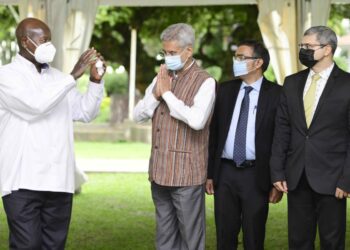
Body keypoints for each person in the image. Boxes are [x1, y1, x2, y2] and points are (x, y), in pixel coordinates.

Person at [0, 17, 105, 249]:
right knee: (27, 245)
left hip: (59, 180)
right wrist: (73, 76)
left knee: (54, 246)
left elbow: (85, 112)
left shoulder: (58, 78)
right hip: (22, 182)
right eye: (44, 40)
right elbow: (34, 106)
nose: (49, 45)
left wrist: (96, 82)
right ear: (25, 41)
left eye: (50, 40)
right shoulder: (6, 76)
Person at [133, 23, 216, 250]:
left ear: (188, 51)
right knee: (165, 238)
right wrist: (156, 95)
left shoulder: (205, 81)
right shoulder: (161, 76)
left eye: (172, 53)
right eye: (165, 52)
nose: (167, 57)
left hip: (186, 175)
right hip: (159, 173)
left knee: (191, 239)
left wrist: (167, 94)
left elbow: (197, 121)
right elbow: (137, 115)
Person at [270, 26, 350, 250]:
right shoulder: (292, 82)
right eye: (301, 46)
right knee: (298, 241)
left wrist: (346, 179)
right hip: (297, 177)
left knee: (332, 242)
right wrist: (277, 171)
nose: (303, 50)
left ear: (327, 50)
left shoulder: (347, 84)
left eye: (308, 46)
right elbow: (282, 128)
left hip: (333, 179)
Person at [206, 40, 282, 250]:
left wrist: (277, 180)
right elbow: (214, 133)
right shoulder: (226, 90)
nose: (236, 62)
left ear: (258, 63)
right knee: (224, 236)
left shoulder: (277, 94)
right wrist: (210, 173)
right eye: (235, 57)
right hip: (225, 173)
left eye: (241, 57)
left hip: (256, 175)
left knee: (254, 237)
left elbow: (281, 140)